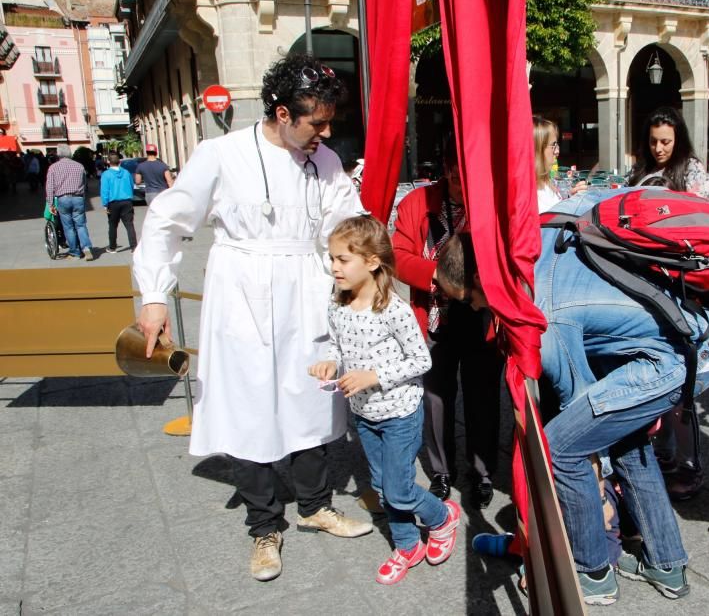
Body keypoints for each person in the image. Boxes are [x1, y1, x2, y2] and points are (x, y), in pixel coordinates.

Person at [132, 54, 373, 583]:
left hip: (306, 287)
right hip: (240, 289)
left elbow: (348, 223)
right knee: (245, 406)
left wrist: (370, 280)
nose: (326, 132)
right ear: (283, 113)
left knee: (313, 399)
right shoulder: (220, 154)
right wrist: (154, 295)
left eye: (330, 122)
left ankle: (315, 506)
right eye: (317, 122)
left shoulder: (326, 161)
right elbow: (166, 222)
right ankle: (265, 525)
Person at [433, 192, 709, 605]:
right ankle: (666, 564)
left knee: (561, 446)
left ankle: (592, 571)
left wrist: (600, 502)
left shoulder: (542, 314)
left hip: (685, 354)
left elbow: (580, 404)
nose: (474, 308)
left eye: (468, 299)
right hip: (706, 323)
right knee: (627, 440)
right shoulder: (536, 235)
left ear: (480, 282)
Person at [309, 215, 461, 585]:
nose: (334, 267)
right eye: (331, 258)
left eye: (343, 259)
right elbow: (336, 342)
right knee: (381, 486)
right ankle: (408, 544)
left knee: (399, 488)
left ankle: (442, 517)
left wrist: (373, 376)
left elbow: (421, 360)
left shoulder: (393, 309)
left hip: (399, 413)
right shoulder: (337, 303)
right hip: (363, 413)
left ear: (372, 261)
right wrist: (330, 360)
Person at [391, 137, 503, 507]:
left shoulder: (490, 203)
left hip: (480, 312)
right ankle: (441, 471)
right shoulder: (415, 203)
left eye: (465, 173)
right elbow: (398, 255)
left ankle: (482, 472)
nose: (457, 179)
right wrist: (437, 274)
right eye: (452, 172)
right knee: (436, 397)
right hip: (434, 314)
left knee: (483, 397)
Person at [628, 107, 709, 499]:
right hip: (645, 282)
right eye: (654, 141)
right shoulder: (641, 170)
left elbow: (703, 221)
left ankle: (690, 463)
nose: (660, 148)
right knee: (653, 368)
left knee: (684, 378)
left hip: (679, 283)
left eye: (667, 141)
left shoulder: (691, 171)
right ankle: (664, 452)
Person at [627, 106, 709, 199]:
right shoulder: (638, 169)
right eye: (653, 142)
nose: (658, 149)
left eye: (665, 142)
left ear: (678, 141)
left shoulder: (691, 168)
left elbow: (701, 207)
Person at [45, 143, 94, 261]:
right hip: (78, 198)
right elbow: (84, 183)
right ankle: (87, 248)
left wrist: (50, 203)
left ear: (58, 154)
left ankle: (75, 252)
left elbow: (49, 186)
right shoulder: (79, 166)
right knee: (81, 225)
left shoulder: (53, 167)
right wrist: (83, 197)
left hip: (63, 199)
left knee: (68, 227)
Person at [534, 116, 585, 212]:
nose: (557, 151)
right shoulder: (527, 197)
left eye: (557, 144)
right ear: (537, 149)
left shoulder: (546, 183)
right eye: (553, 145)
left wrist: (572, 197)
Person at [99, 152, 137, 253]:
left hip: (113, 203)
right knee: (129, 224)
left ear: (108, 162)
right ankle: (134, 246)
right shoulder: (126, 172)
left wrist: (105, 204)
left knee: (112, 225)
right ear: (119, 161)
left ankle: (112, 247)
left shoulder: (106, 174)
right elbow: (131, 185)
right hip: (127, 201)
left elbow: (104, 190)